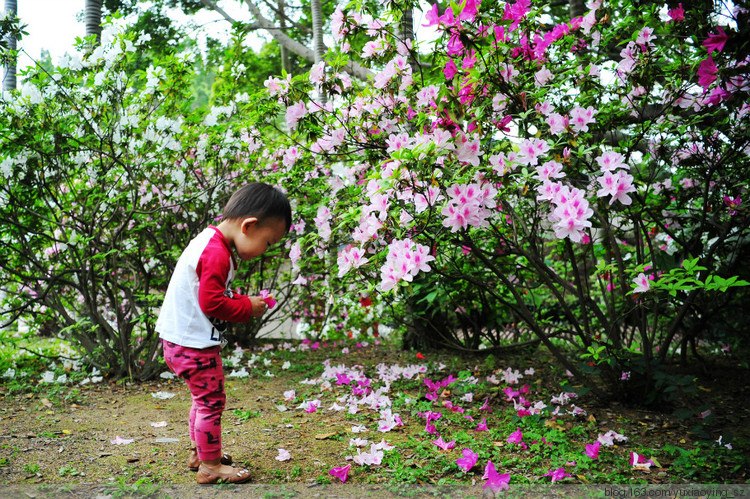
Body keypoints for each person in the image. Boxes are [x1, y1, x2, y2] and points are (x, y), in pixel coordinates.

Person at [156, 182, 291, 484]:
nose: (264, 251)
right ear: (249, 226)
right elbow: (212, 301)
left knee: (201, 398)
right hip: (193, 344)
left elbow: (208, 292)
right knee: (210, 401)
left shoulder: (210, 241)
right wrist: (246, 306)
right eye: (268, 243)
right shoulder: (216, 252)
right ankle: (211, 466)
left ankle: (199, 453)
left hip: (179, 340)